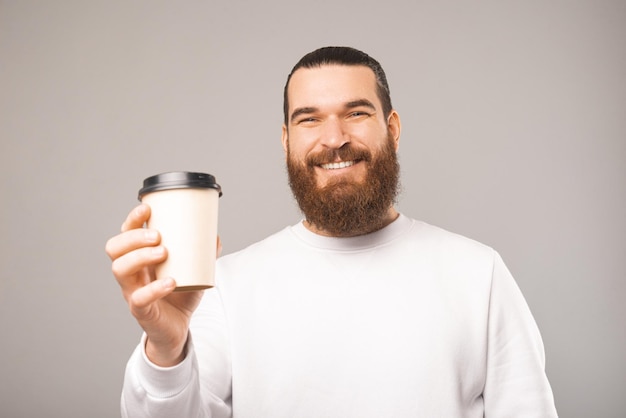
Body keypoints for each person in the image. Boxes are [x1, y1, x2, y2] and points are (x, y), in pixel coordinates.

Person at [106, 46, 558, 417]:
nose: (334, 137)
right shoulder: (224, 287)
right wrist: (165, 348)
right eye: (309, 119)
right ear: (286, 140)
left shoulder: (479, 274)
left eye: (356, 113)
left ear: (393, 129)